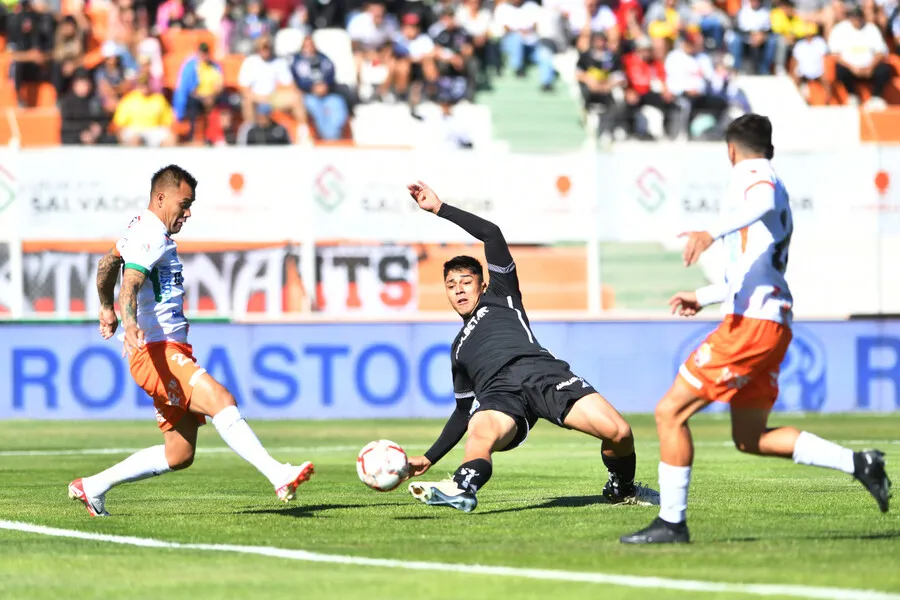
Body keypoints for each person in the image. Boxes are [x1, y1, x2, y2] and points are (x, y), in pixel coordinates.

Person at [620, 114, 891, 545]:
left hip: (752, 324)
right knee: (750, 438)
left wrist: (709, 232)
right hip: (770, 320)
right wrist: (705, 295)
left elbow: (761, 198)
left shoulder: (754, 174)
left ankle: (671, 523)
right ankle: (860, 463)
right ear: (771, 146)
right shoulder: (767, 182)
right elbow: (751, 267)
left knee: (669, 412)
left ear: (731, 150)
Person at [68, 165, 314, 517]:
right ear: (161, 197)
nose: (188, 213)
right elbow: (130, 283)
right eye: (184, 204)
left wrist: (106, 309)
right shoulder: (150, 234)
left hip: (166, 350)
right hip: (157, 351)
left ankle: (92, 487)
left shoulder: (140, 229)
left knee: (178, 454)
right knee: (222, 400)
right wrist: (129, 321)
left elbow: (108, 263)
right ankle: (279, 474)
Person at [402, 181, 655, 513]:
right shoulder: (458, 349)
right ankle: (462, 487)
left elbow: (491, 234)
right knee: (480, 429)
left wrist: (439, 208)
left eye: (466, 282)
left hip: (541, 373)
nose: (460, 290)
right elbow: (463, 412)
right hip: (500, 395)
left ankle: (622, 488)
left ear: (483, 283)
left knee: (619, 433)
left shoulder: (501, 294)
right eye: (451, 285)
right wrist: (429, 458)